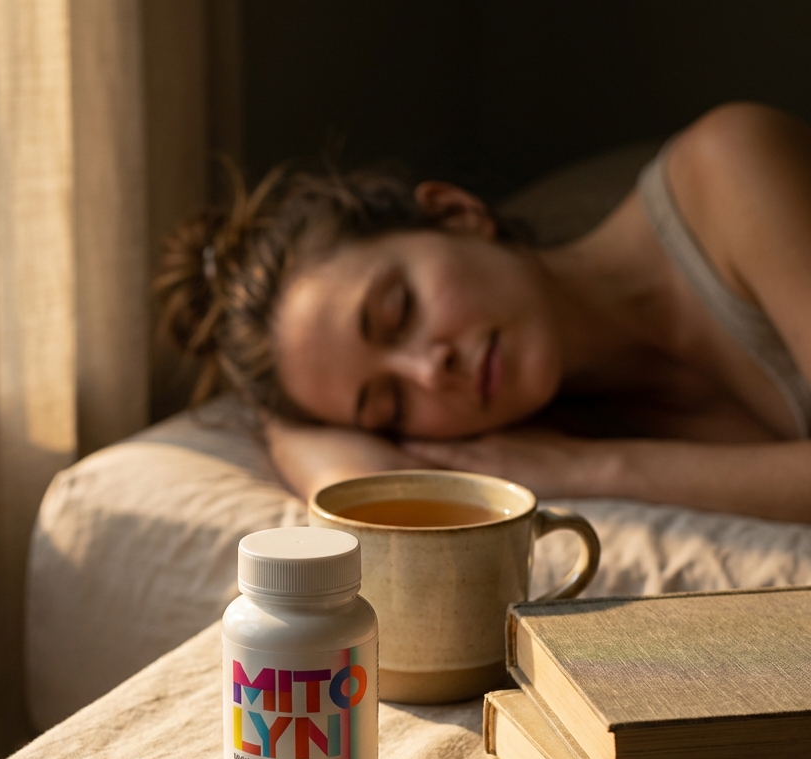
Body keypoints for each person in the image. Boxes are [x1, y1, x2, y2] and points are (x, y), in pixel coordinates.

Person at [155, 102, 811, 523]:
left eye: (399, 309)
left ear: (455, 212)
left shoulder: (730, 169)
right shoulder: (552, 428)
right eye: (389, 407)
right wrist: (272, 398)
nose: (428, 369)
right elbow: (376, 500)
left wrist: (597, 472)